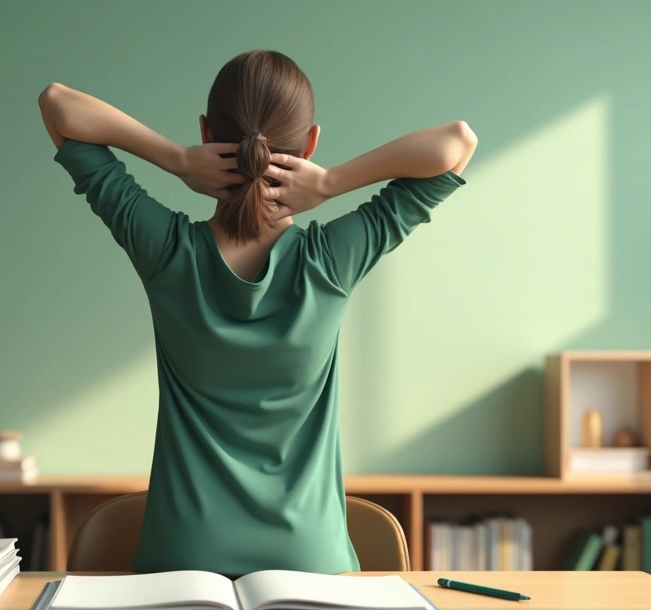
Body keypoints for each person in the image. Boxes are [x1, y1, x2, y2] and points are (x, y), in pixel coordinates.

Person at [39, 50, 476, 576]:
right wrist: (333, 180)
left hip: (181, 561)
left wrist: (176, 159)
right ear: (310, 143)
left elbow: (58, 105)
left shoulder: (166, 251)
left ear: (206, 133)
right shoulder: (330, 261)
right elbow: (458, 143)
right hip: (311, 563)